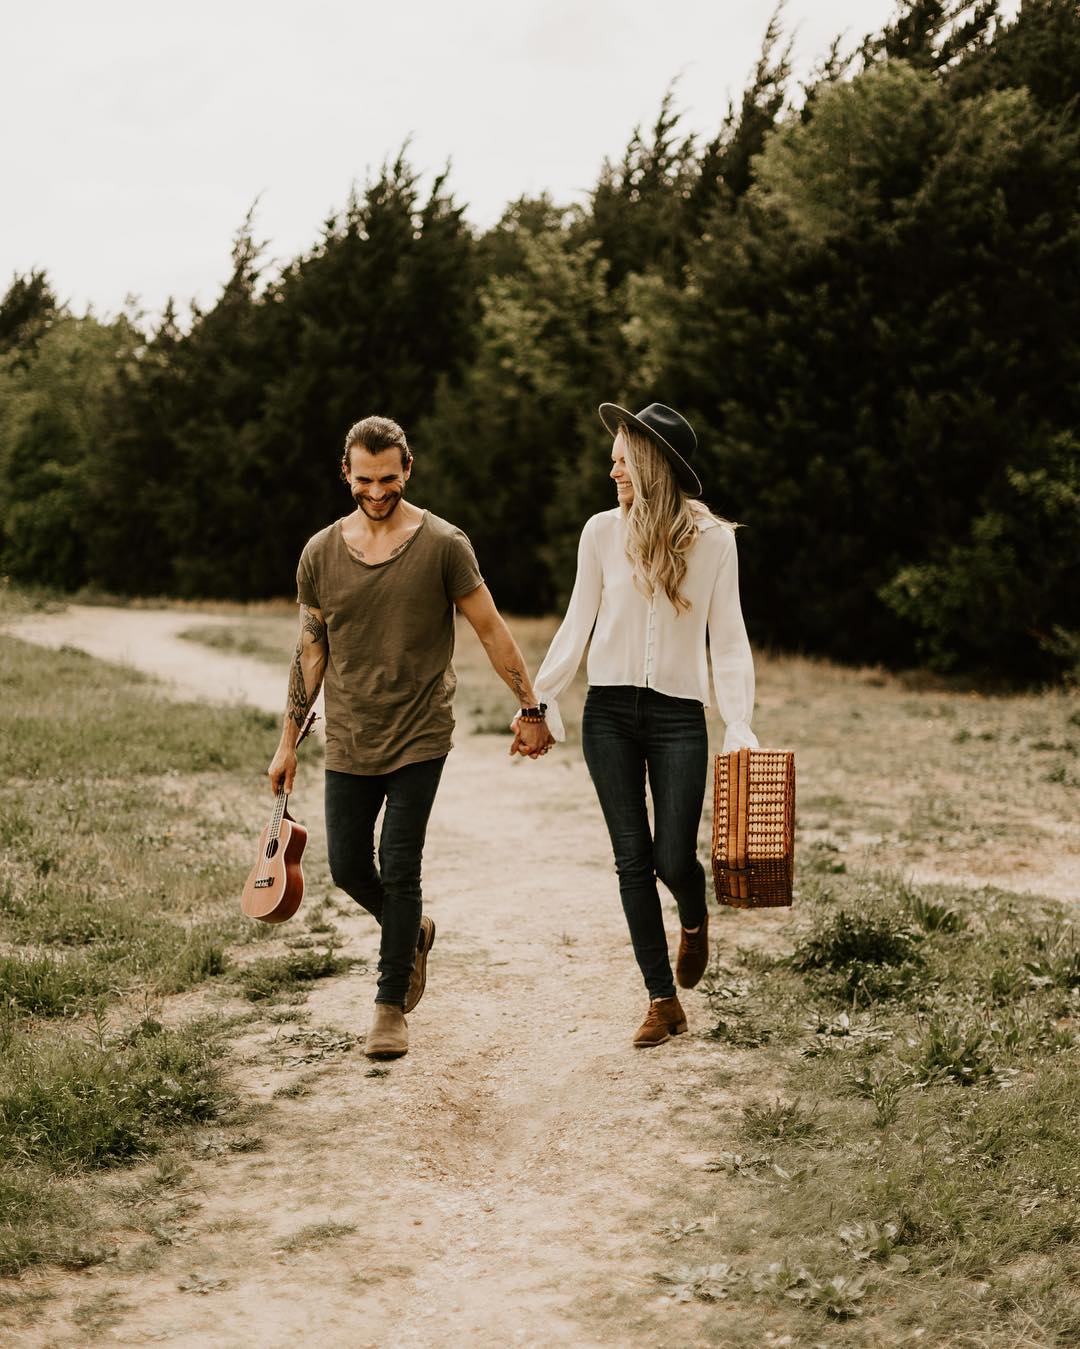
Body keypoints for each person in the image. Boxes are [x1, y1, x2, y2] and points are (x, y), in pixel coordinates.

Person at [269, 415, 553, 1060]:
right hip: (349, 732)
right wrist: (287, 743)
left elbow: (489, 628)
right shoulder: (319, 553)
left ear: (408, 470)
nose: (377, 492)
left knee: (400, 865)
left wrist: (530, 706)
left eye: (389, 479)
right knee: (347, 866)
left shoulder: (445, 544)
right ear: (346, 473)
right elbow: (310, 652)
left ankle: (388, 1004)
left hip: (422, 730)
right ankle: (412, 930)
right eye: (364, 480)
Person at [518, 402, 757, 1047]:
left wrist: (738, 722)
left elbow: (728, 639)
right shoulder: (599, 533)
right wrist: (539, 699)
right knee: (631, 859)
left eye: (621, 456)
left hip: (681, 716)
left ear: (650, 462)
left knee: (672, 854)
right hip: (610, 716)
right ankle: (662, 999)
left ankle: (695, 909)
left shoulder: (714, 542)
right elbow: (577, 621)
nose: (612, 467)